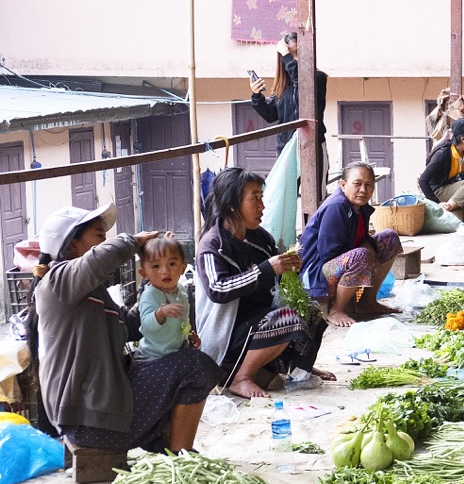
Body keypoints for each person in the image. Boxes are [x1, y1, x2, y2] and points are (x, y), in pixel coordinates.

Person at [31, 203, 216, 462]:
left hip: (96, 414)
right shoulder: (58, 280)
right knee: (196, 366)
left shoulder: (88, 291)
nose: (104, 238)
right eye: (98, 233)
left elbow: (129, 326)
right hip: (88, 422)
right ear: (72, 246)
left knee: (178, 359)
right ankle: (181, 459)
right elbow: (100, 259)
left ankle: (166, 443)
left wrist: (156, 282)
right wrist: (134, 241)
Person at [196, 167, 332, 400]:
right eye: (254, 199)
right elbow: (217, 289)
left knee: (309, 311)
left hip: (258, 322)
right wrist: (267, 268)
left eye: (261, 197)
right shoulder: (212, 245)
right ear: (232, 204)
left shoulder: (260, 237)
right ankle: (241, 378)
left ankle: (299, 368)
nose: (262, 206)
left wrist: (288, 267)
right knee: (287, 319)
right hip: (228, 332)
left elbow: (276, 272)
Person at [299, 162, 404, 328]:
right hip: (316, 272)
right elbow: (328, 253)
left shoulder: (360, 206)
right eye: (357, 184)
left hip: (340, 261)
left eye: (369, 185)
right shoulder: (337, 206)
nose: (363, 189)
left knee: (390, 237)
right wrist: (365, 253)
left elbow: (362, 237)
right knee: (361, 255)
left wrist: (368, 247)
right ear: (343, 184)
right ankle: (337, 309)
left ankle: (367, 302)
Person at [249, 32, 329, 180]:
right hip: (286, 149)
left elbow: (304, 91)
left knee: (314, 196)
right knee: (286, 197)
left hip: (312, 146)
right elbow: (270, 115)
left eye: (298, 55)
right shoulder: (283, 85)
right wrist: (257, 95)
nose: (294, 61)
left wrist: (286, 54)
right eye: (291, 56)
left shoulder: (318, 78)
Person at [418, 118, 464, 222]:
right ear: (463, 139)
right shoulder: (442, 154)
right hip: (438, 191)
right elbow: (423, 180)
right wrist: (437, 202)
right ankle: (446, 210)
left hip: (452, 188)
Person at [137, 236, 198, 361]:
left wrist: (189, 333)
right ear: (144, 274)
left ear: (182, 268)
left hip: (176, 351)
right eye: (155, 266)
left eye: (172, 264)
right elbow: (147, 326)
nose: (165, 271)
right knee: (198, 363)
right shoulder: (150, 295)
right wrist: (161, 312)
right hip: (153, 357)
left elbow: (183, 318)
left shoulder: (181, 290)